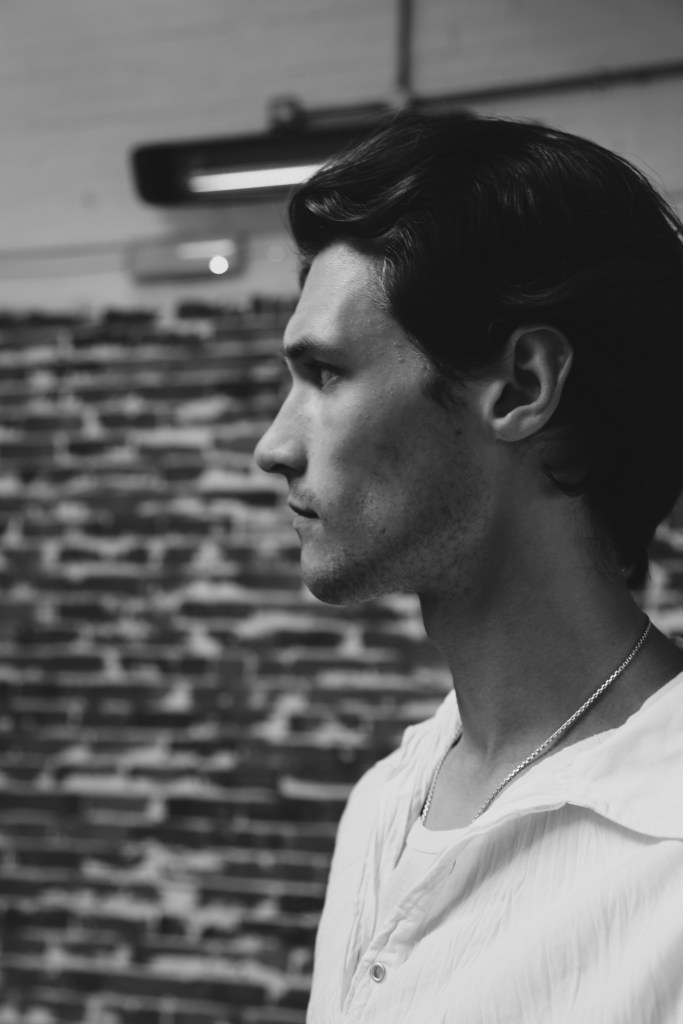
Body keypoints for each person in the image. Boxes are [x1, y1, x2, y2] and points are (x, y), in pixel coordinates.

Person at [254, 110, 683, 1023]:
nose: (273, 446)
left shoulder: (665, 859)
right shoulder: (383, 806)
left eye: (325, 373)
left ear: (523, 386)